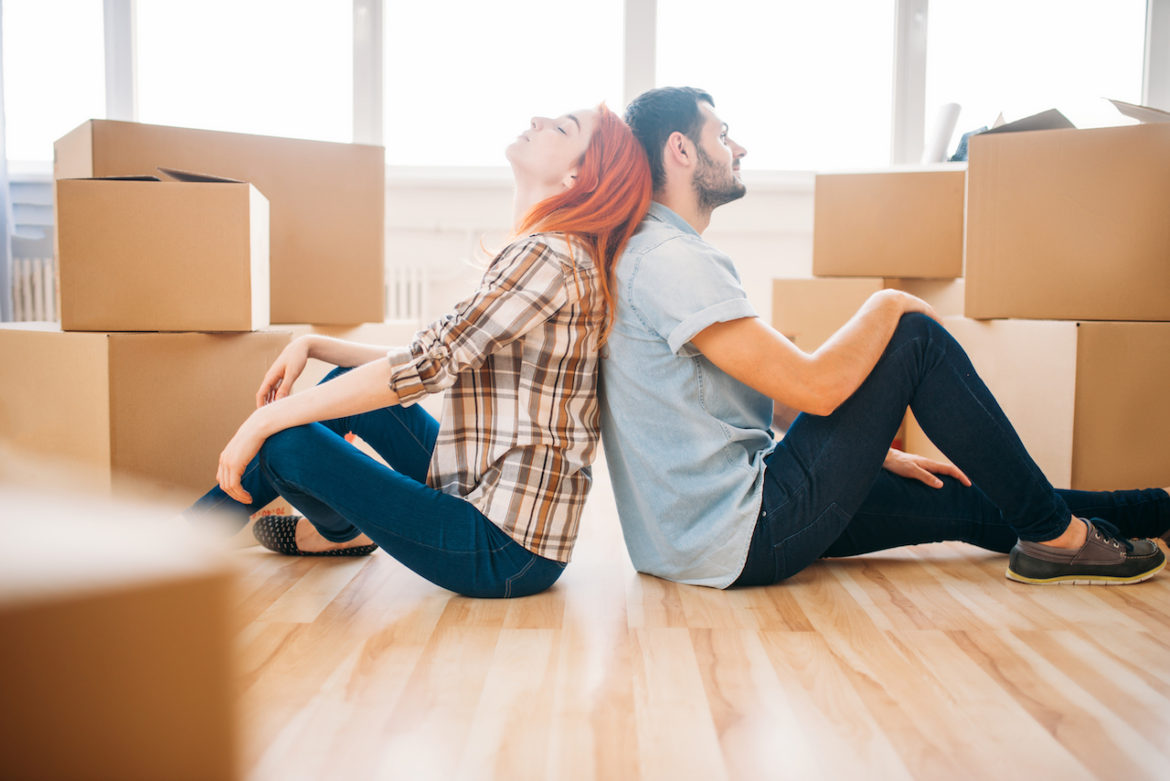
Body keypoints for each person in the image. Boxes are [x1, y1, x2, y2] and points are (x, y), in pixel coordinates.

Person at [599, 86, 1170, 589]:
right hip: (745, 531)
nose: (739, 149)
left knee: (961, 500)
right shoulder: (672, 260)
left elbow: (732, 395)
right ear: (680, 149)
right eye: (722, 136)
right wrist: (887, 302)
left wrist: (863, 449)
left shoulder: (650, 252)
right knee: (913, 336)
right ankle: (1059, 542)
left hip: (701, 537)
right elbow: (814, 389)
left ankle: (1150, 512)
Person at [186, 104, 652, 598]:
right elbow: (429, 352)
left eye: (562, 127)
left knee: (284, 442)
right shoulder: (550, 250)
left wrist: (261, 422)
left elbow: (426, 365)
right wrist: (316, 344)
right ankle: (330, 531)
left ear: (579, 174)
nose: (538, 119)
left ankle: (188, 544)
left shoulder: (549, 255)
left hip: (503, 548)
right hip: (484, 491)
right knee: (333, 388)